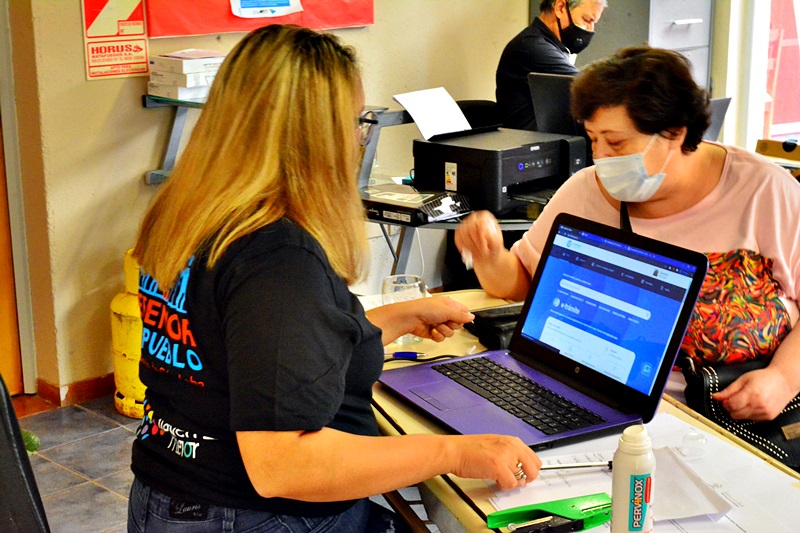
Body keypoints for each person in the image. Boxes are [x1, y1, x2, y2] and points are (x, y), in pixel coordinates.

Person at [128, 24, 541, 533]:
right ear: (314, 135)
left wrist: (398, 317)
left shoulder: (192, 214)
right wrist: (453, 452)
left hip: (170, 493)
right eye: (355, 122)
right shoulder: (277, 256)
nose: (357, 139)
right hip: (253, 516)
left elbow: (254, 352)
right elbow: (283, 466)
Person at [457, 46, 800, 423]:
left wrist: (782, 380)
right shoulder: (585, 190)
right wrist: (490, 255)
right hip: (590, 396)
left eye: (616, 142)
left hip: (721, 415)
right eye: (593, 139)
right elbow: (522, 280)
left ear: (674, 132)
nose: (601, 157)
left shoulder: (765, 191)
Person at [496, 0, 606, 130]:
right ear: (560, 7)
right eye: (586, 20)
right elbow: (590, 87)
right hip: (532, 141)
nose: (590, 29)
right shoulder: (531, 46)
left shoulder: (550, 45)